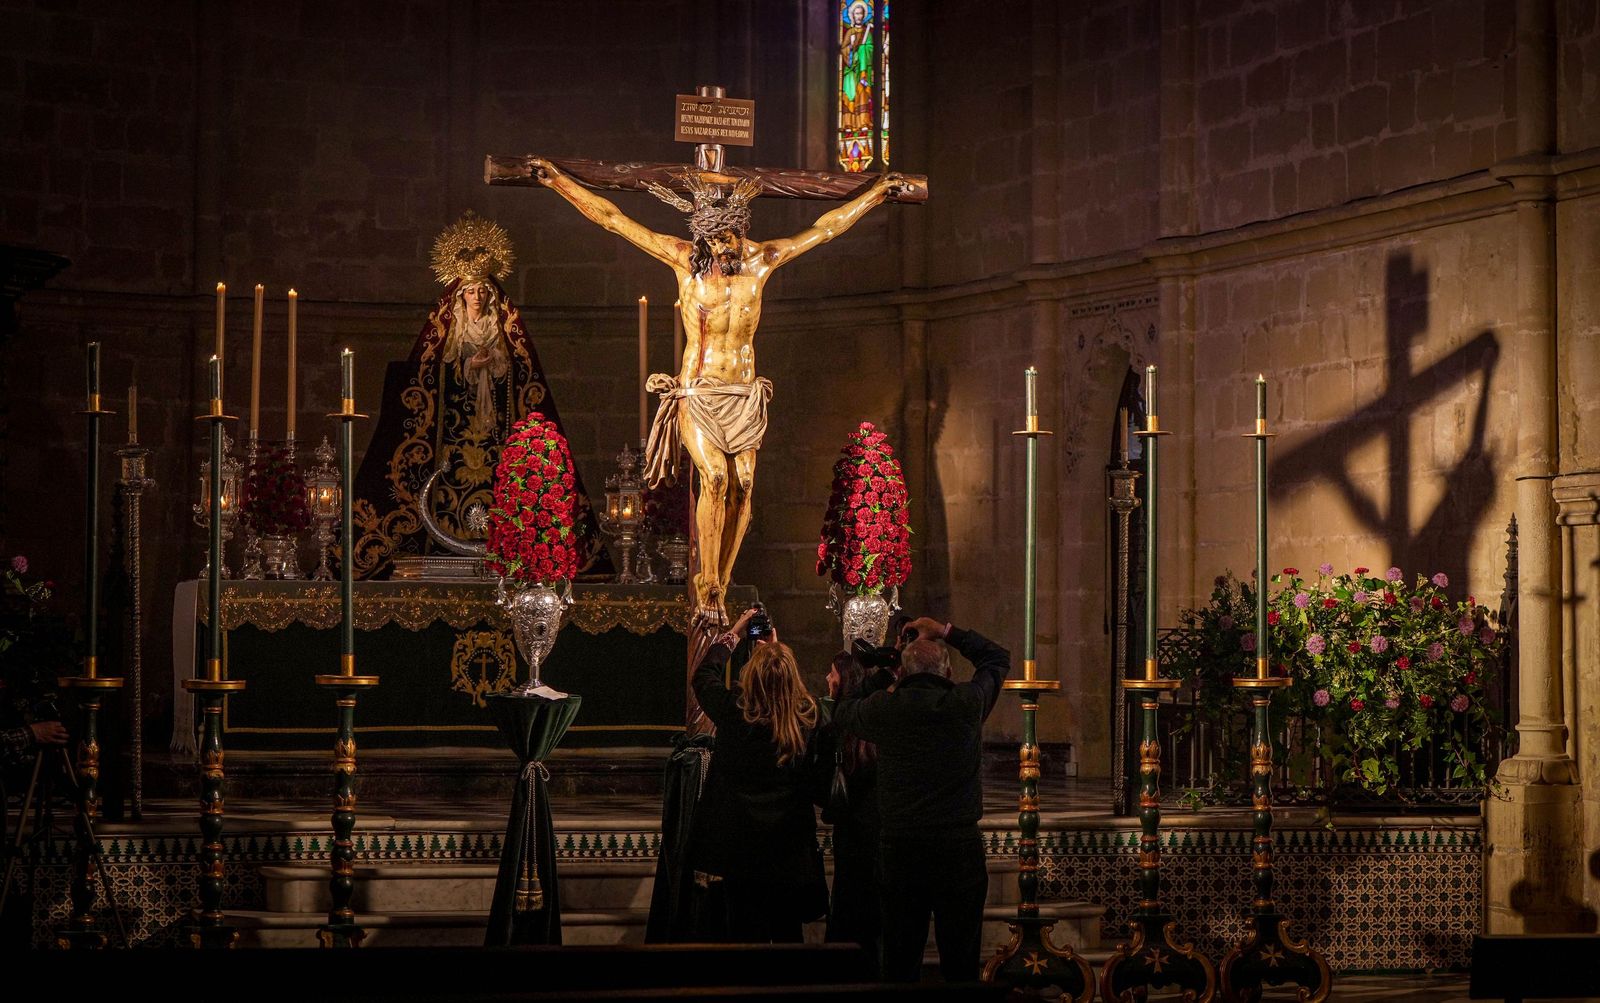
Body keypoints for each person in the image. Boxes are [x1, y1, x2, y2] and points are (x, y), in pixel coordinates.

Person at [832, 615, 1011, 983]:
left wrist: (885, 673)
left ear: (903, 673)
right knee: (961, 962)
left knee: (899, 961)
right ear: (948, 672)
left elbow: (844, 709)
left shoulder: (886, 708)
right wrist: (946, 631)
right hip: (957, 848)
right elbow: (996, 658)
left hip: (901, 849)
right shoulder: (965, 704)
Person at [685, 607, 827, 943]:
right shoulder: (807, 718)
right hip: (788, 847)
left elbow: (703, 676)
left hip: (740, 850)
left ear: (751, 676)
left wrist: (734, 634)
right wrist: (775, 651)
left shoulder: (735, 712)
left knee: (744, 936)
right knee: (788, 934)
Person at [816, 649, 883, 962]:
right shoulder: (879, 722)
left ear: (844, 680)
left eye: (832, 672)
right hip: (878, 830)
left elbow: (820, 782)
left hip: (851, 831)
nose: (827, 678)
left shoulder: (835, 726)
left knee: (847, 904)